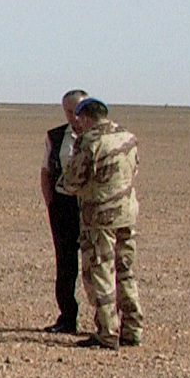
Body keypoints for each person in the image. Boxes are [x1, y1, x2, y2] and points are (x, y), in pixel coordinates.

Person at [57, 97, 141, 349]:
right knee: (125, 270)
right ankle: (132, 328)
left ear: (85, 117)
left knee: (101, 271)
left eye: (78, 119)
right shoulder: (127, 137)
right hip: (126, 213)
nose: (76, 125)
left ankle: (107, 332)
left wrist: (62, 184)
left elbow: (73, 180)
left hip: (100, 217)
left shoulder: (90, 141)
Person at [40, 89, 87, 334]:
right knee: (65, 265)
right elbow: (46, 171)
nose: (72, 116)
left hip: (91, 209)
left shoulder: (100, 135)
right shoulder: (56, 136)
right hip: (64, 207)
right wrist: (52, 205)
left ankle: (106, 322)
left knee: (97, 265)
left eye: (76, 110)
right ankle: (67, 317)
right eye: (67, 111)